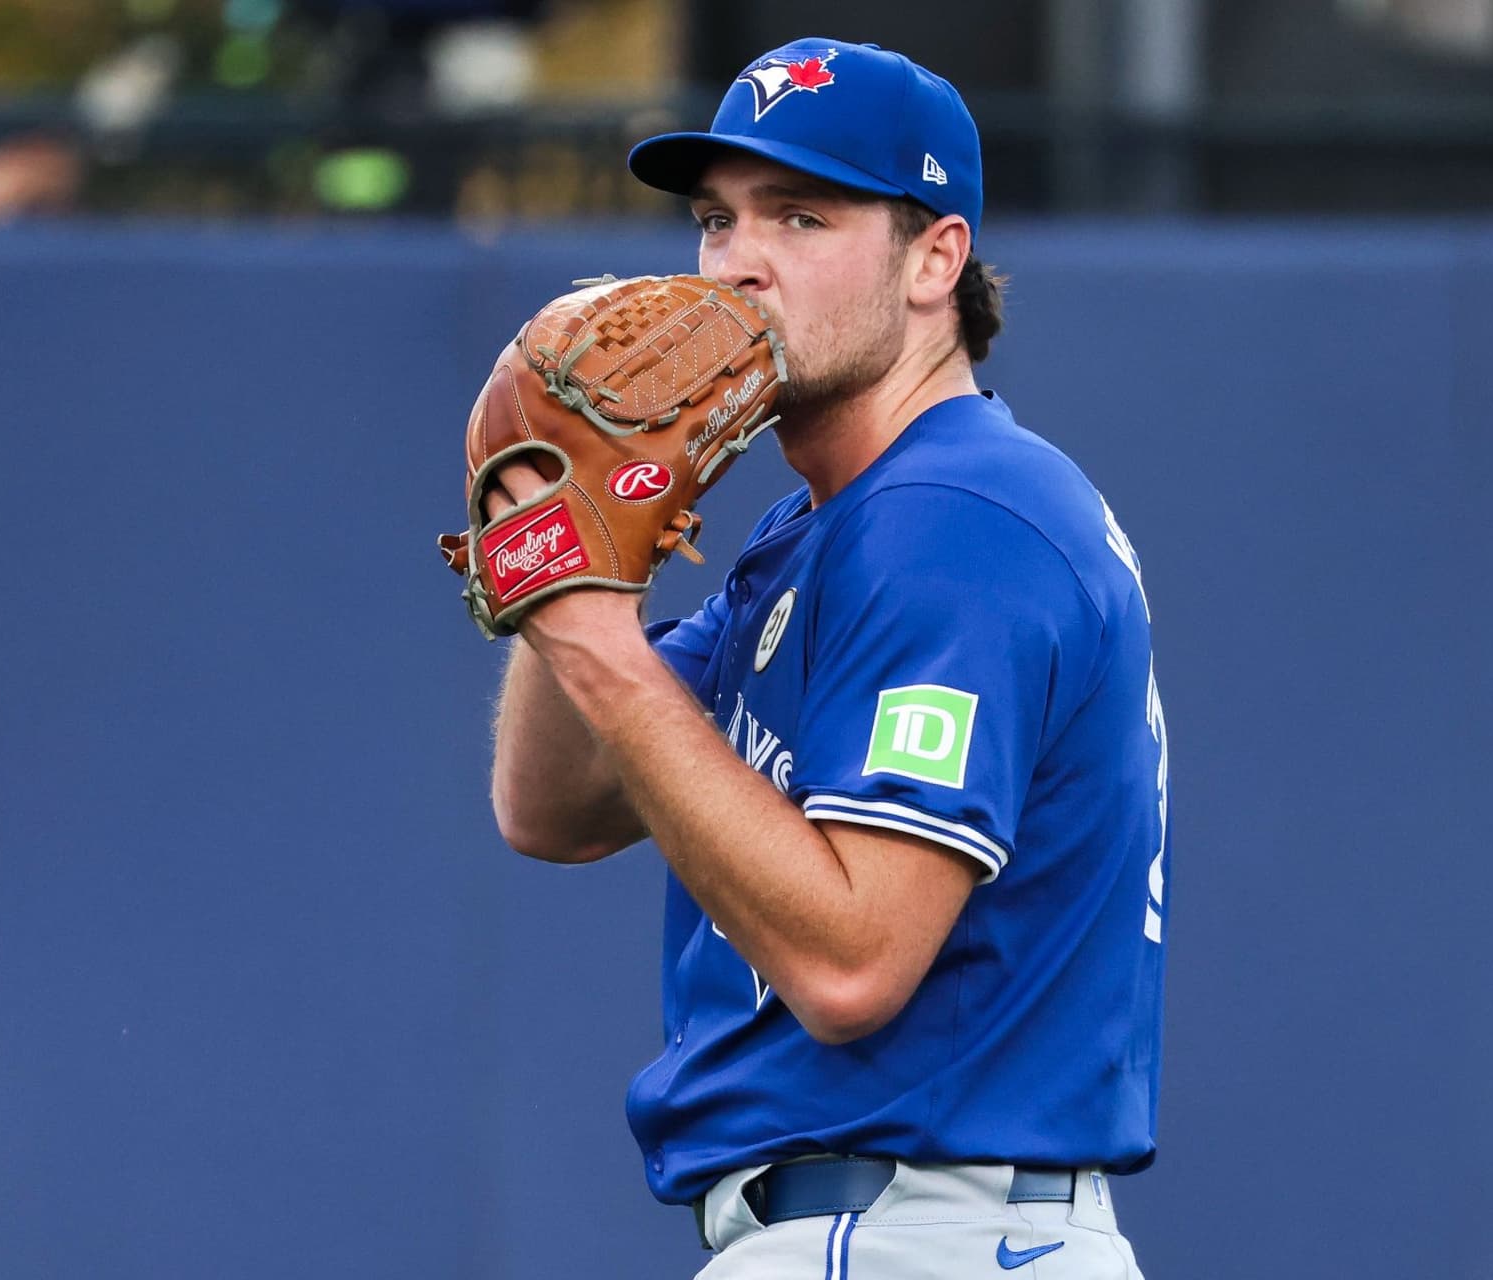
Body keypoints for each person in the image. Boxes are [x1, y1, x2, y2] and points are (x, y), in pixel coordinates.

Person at [480, 37, 1169, 1278]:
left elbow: (852, 964)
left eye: (801, 216)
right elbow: (554, 806)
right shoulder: (824, 528)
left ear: (935, 259)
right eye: (716, 220)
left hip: (917, 1227)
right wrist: (586, 566)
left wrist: (595, 635)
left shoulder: (956, 514)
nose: (737, 261)